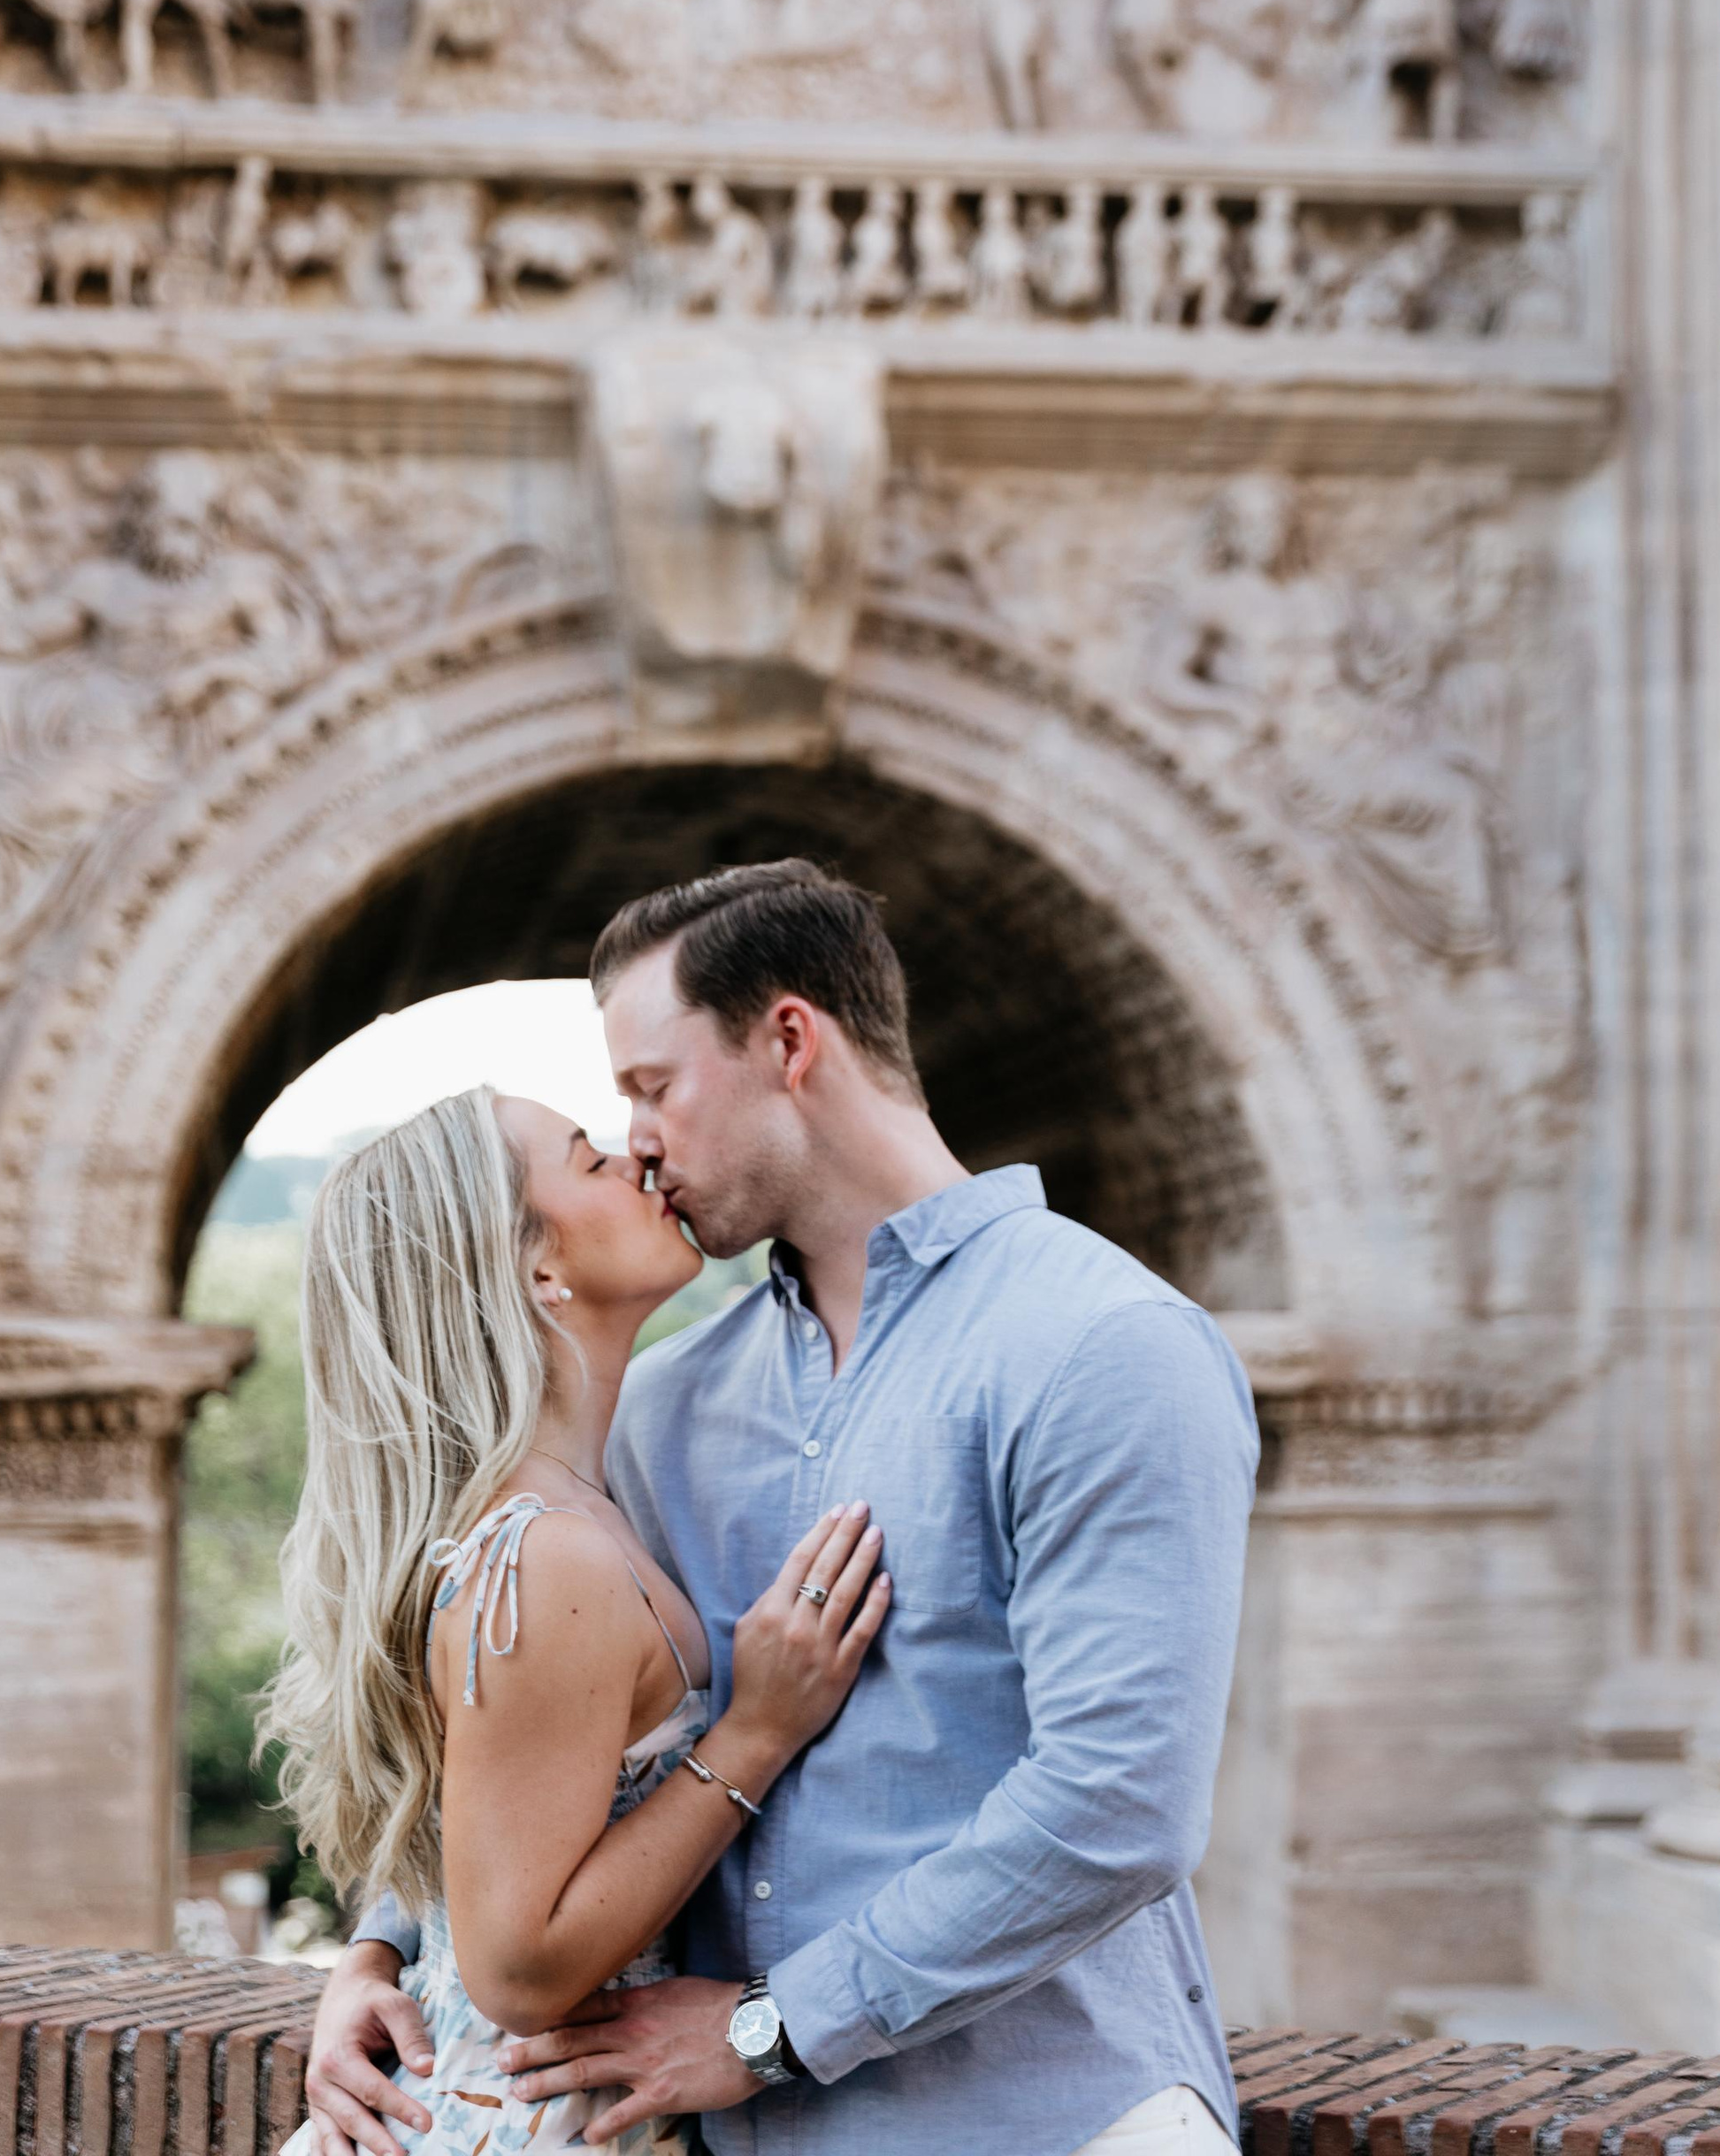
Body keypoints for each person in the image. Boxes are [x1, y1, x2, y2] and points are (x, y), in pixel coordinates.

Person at [309, 861, 1261, 2155]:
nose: (635, 1136)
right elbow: (539, 1737)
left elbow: (1117, 1806)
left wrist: (773, 2028)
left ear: (790, 1043)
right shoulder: (664, 1405)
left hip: (1046, 2123)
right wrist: (380, 1948)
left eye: (650, 1088)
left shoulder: (1102, 1344)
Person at [266, 1082, 891, 2156]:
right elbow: (517, 1970)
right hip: (509, 2121)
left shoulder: (556, 1508)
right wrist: (758, 1731)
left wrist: (378, 1947)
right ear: (535, 1267)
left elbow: (496, 1812)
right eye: (588, 1160)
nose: (633, 1162)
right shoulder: (544, 1554)